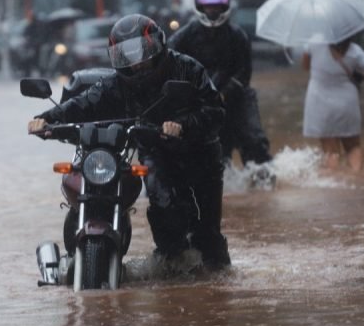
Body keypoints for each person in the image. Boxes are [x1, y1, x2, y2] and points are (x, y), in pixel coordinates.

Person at [27, 14, 231, 269]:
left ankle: (217, 284)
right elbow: (82, 104)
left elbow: (216, 111)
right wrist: (46, 120)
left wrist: (183, 125)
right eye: (126, 56)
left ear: (158, 45)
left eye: (143, 53)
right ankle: (170, 265)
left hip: (200, 154)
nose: (136, 64)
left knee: (208, 236)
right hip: (156, 151)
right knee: (164, 208)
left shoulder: (188, 69)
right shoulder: (115, 84)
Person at [168, 0, 274, 173]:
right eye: (208, 6)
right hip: (198, 103)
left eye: (217, 6)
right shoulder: (181, 38)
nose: (212, 10)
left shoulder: (238, 36)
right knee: (199, 148)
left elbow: (244, 74)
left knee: (255, 141)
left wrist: (224, 94)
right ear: (200, 7)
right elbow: (171, 71)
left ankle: (264, 181)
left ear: (225, 7)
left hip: (235, 99)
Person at [301, 34, 364, 171]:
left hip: (320, 103)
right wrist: (361, 76)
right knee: (353, 147)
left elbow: (305, 66)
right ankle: (357, 179)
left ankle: (336, 186)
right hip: (347, 104)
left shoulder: (313, 43)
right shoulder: (354, 51)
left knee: (330, 152)